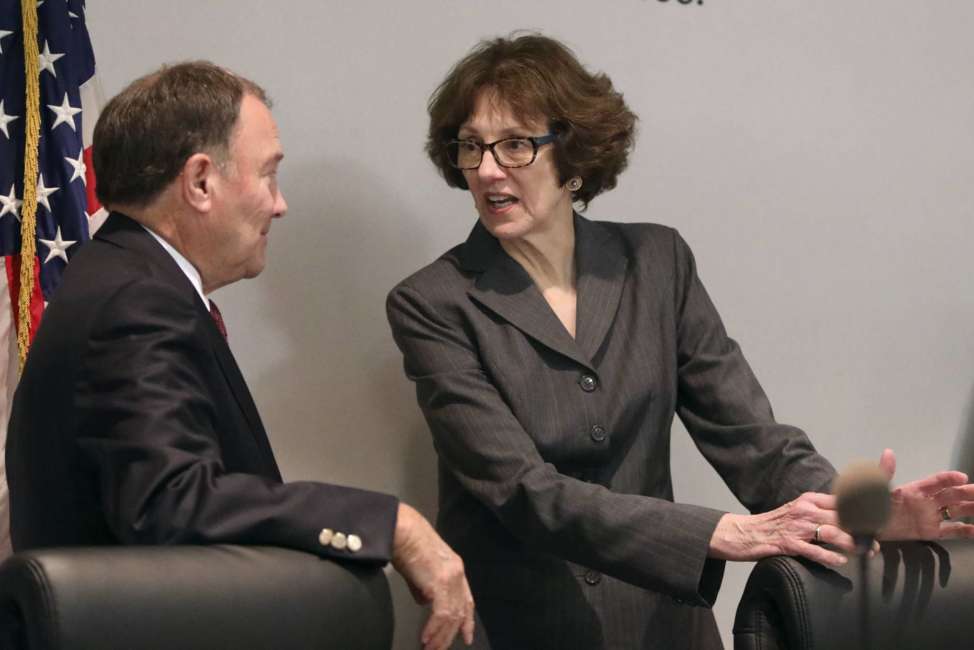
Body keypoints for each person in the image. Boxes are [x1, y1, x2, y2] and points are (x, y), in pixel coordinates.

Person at [386, 34, 974, 649]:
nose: (486, 169)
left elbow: (751, 439)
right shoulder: (431, 302)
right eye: (471, 147)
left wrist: (856, 515)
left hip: (661, 628)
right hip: (525, 627)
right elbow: (524, 491)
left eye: (514, 145)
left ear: (575, 157)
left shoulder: (656, 261)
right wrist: (722, 533)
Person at [5, 61, 473, 650]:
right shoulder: (136, 302)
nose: (280, 205)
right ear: (201, 182)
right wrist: (392, 524)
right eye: (269, 175)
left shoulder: (122, 281)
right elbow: (175, 504)